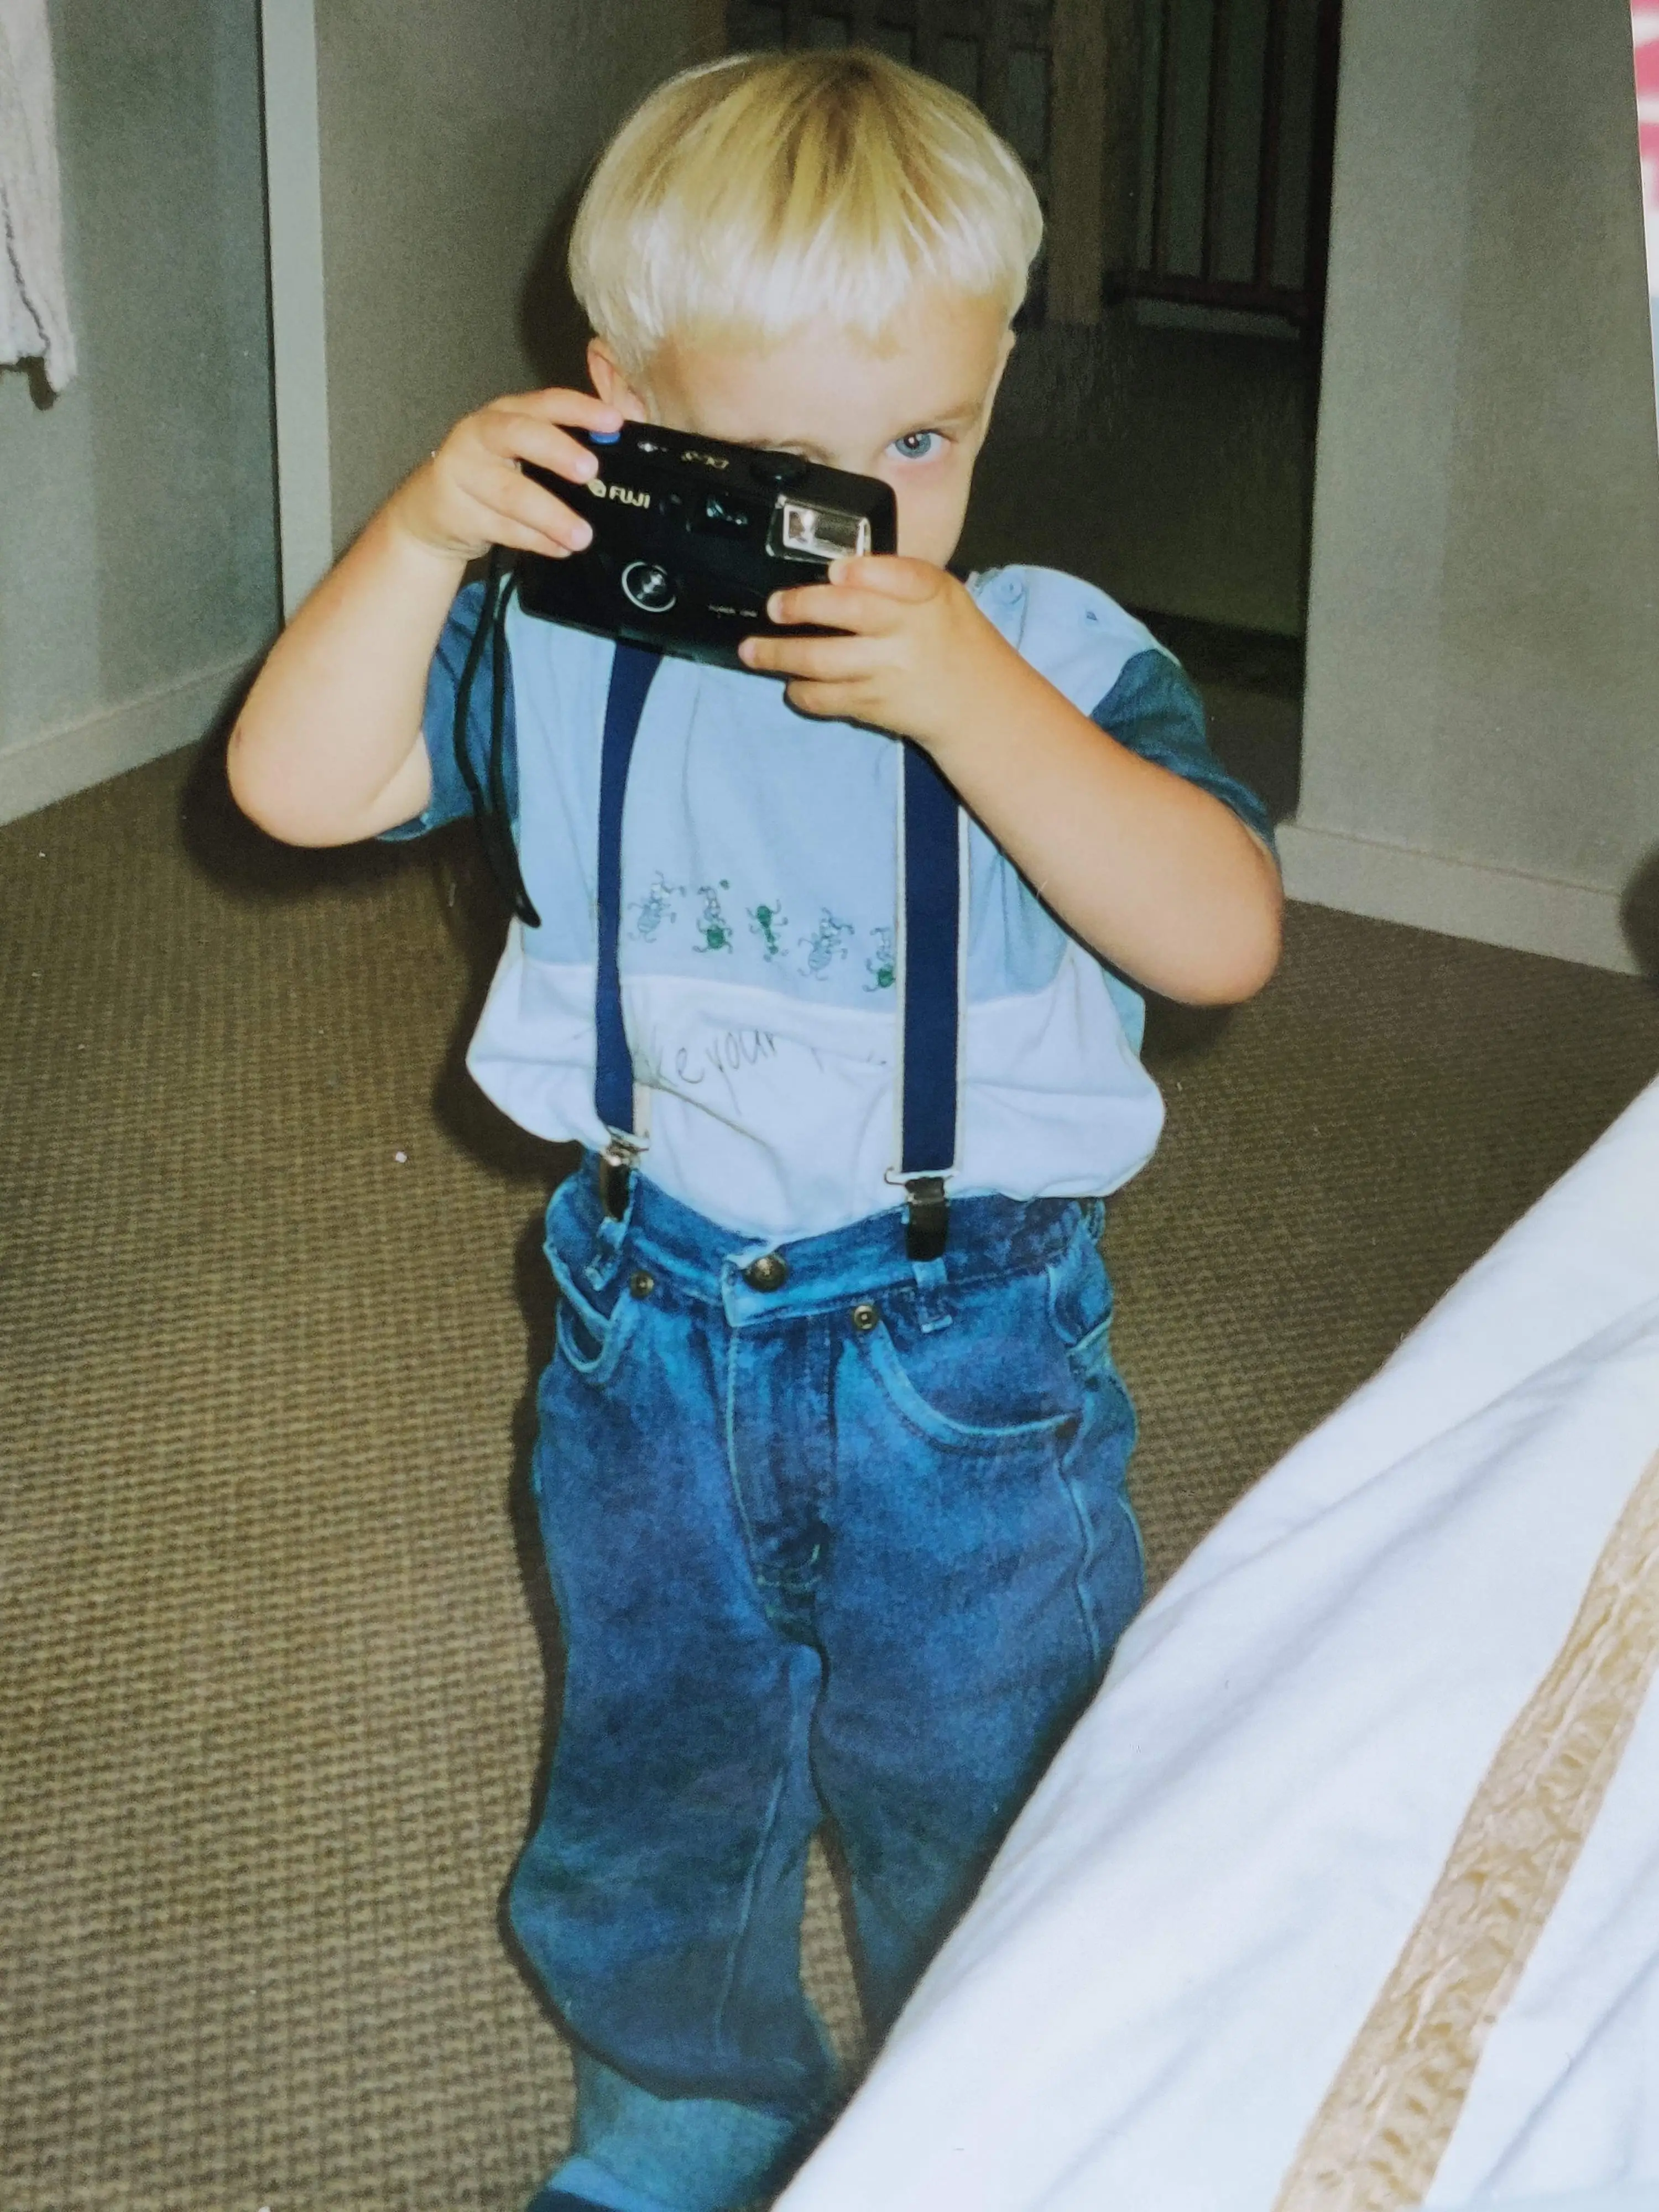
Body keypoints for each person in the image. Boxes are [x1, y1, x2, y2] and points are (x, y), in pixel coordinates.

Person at [227, 45, 1282, 2212]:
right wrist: (423, 533)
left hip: (963, 1356)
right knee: (653, 1783)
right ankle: (685, 2120)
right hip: (649, 1324)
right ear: (623, 412)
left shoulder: (1053, 654)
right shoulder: (560, 643)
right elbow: (294, 790)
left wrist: (976, 702)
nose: (875, 514)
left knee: (989, 1801)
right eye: (794, 464)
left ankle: (988, 2138)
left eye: (925, 441)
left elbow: (1220, 937)